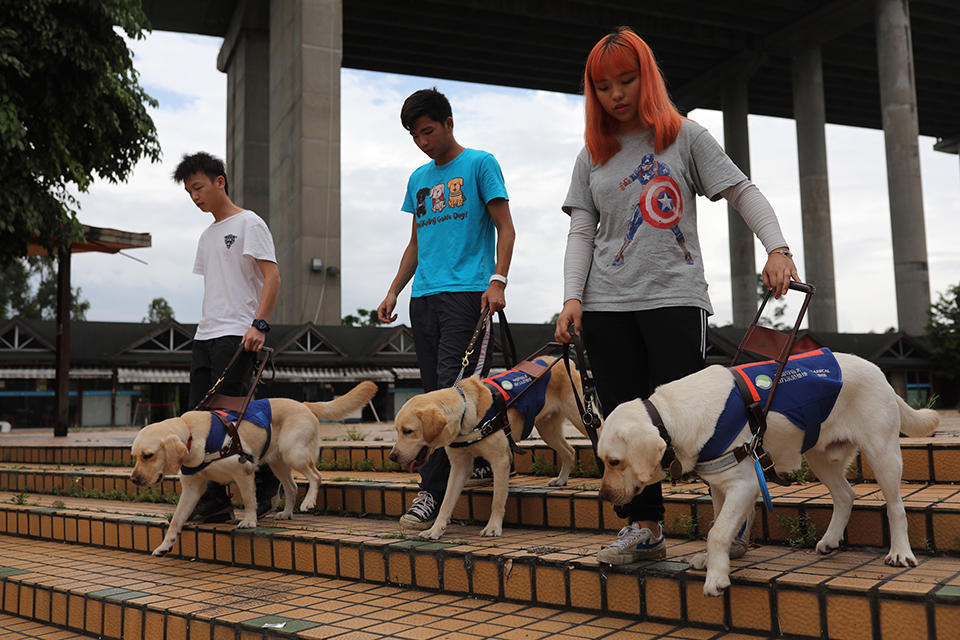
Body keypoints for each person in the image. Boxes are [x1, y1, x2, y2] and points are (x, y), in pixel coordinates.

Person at [554, 27, 798, 565]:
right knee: (624, 421)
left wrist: (778, 248)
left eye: (626, 80)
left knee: (704, 415)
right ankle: (645, 528)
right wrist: (572, 298)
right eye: (602, 86)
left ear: (648, 78)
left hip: (675, 299)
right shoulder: (591, 155)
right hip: (606, 307)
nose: (616, 94)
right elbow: (581, 232)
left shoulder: (684, 136)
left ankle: (730, 519)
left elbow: (742, 190)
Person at [377, 88, 516, 531]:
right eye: (415, 136)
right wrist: (394, 290)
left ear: (449, 123)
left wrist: (498, 281)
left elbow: (506, 228)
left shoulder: (480, 164)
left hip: (469, 294)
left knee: (448, 394)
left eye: (428, 131)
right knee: (430, 391)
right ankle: (472, 461)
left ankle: (429, 496)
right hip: (425, 298)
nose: (423, 142)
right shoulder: (418, 178)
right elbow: (416, 243)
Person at [172, 151, 283, 523]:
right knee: (198, 419)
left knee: (233, 418)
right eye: (189, 192)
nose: (195, 197)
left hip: (238, 332)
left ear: (220, 181)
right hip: (205, 335)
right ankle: (214, 497)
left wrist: (259, 324)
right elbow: (217, 286)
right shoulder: (206, 236)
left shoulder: (250, 223)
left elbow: (272, 277)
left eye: (199, 187)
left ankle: (266, 486)